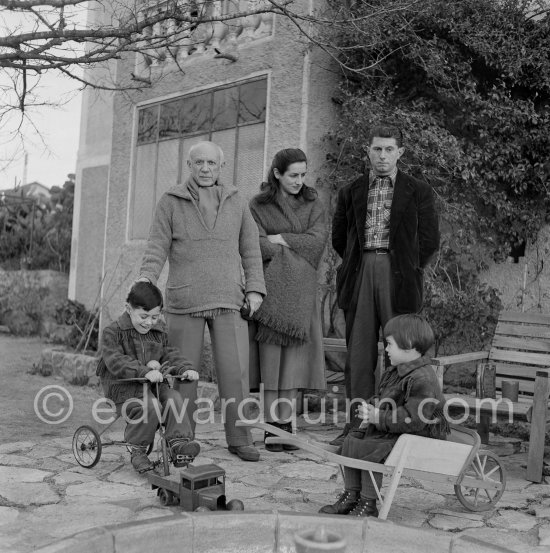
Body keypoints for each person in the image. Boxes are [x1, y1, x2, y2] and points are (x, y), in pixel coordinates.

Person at [138, 141, 266, 462]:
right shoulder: (171, 201)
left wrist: (254, 289)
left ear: (221, 167)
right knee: (182, 376)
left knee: (235, 374)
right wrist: (146, 279)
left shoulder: (238, 201)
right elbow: (156, 246)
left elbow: (250, 249)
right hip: (184, 299)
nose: (205, 169)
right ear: (189, 166)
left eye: (211, 163)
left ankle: (239, 438)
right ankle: (180, 441)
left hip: (228, 298)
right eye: (199, 163)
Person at [331, 124, 439, 445]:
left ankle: (395, 423)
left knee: (402, 351)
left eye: (389, 149)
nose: (382, 155)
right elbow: (340, 237)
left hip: (399, 276)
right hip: (362, 270)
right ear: (368, 151)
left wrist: (408, 265)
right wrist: (357, 262)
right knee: (360, 355)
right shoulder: (351, 190)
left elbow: (430, 239)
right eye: (376, 149)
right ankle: (357, 425)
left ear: (400, 153)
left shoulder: (418, 190)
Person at [320, 314, 447, 517]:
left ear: (410, 345)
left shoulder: (423, 379)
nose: (386, 349)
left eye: (389, 344)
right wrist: (371, 409)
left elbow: (413, 418)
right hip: (396, 428)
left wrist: (379, 417)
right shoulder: (395, 372)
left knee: (370, 447)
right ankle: (352, 495)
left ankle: (368, 502)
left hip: (419, 435)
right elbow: (384, 399)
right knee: (353, 440)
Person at [249, 148, 327, 451]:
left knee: (294, 363)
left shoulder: (313, 202)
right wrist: (292, 247)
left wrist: (280, 239)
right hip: (271, 294)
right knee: (272, 363)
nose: (299, 180)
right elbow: (254, 244)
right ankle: (271, 426)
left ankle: (287, 424)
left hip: (302, 295)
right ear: (278, 173)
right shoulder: (257, 205)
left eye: (303, 174)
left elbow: (317, 243)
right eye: (293, 174)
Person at [96, 281, 200, 473]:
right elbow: (116, 361)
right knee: (150, 405)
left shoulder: (157, 331)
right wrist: (144, 371)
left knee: (173, 398)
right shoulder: (113, 332)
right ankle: (138, 450)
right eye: (143, 316)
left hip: (152, 386)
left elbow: (169, 354)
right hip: (123, 388)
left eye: (154, 316)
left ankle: (178, 444)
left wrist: (184, 368)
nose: (149, 322)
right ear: (128, 308)